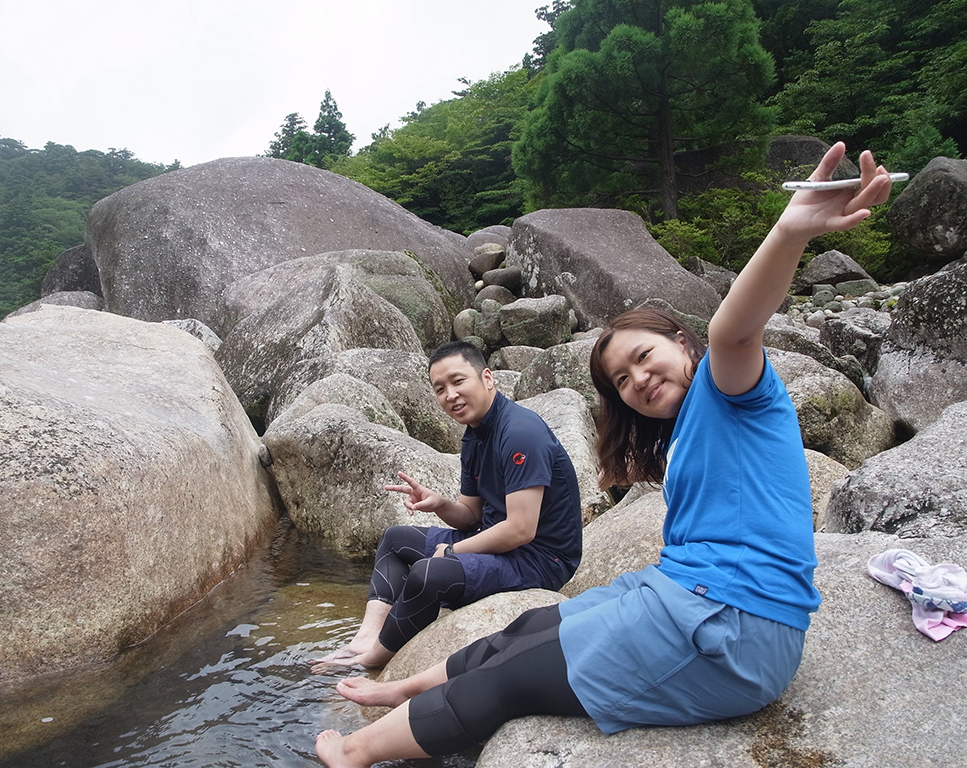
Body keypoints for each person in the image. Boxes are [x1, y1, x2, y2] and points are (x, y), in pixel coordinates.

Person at [313, 142, 894, 767]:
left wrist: (790, 231)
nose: (637, 380)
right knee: (529, 628)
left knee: (510, 680)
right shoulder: (679, 426)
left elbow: (733, 331)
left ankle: (355, 752)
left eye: (644, 357)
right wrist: (442, 508)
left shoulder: (731, 393)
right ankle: (405, 687)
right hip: (692, 598)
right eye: (621, 380)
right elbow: (476, 511)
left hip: (732, 629)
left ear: (681, 342)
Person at [311, 340, 583, 671]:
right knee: (395, 539)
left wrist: (455, 552)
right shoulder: (474, 435)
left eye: (458, 381)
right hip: (500, 546)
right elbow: (470, 516)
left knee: (429, 573)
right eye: (440, 389)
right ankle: (365, 638)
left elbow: (520, 529)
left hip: (540, 561)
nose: (450, 395)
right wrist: (439, 504)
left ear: (487, 378)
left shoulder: (520, 433)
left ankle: (373, 661)